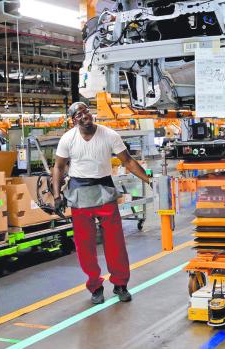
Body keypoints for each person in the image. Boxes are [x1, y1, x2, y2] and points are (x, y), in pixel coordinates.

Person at [52, 102, 152, 305]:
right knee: (85, 245)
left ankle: (120, 284)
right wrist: (56, 195)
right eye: (79, 114)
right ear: (74, 120)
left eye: (86, 111)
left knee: (115, 242)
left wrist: (150, 181)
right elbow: (59, 167)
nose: (84, 116)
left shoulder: (109, 135)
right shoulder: (68, 139)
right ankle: (95, 286)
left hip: (105, 190)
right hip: (80, 193)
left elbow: (128, 161)